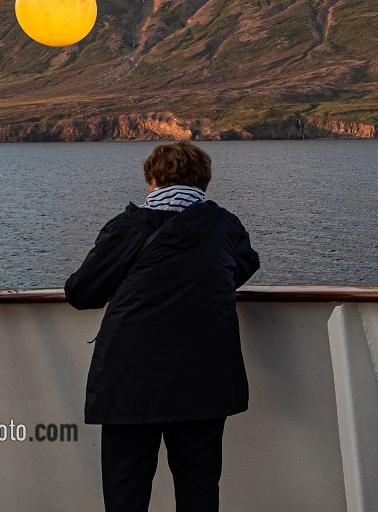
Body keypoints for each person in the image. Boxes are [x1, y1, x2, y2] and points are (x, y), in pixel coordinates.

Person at [65, 140, 259, 512]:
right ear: (203, 182)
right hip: (205, 379)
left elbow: (81, 292)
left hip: (130, 380)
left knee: (126, 492)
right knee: (199, 489)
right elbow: (244, 265)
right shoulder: (224, 225)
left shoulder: (128, 228)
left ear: (152, 180)